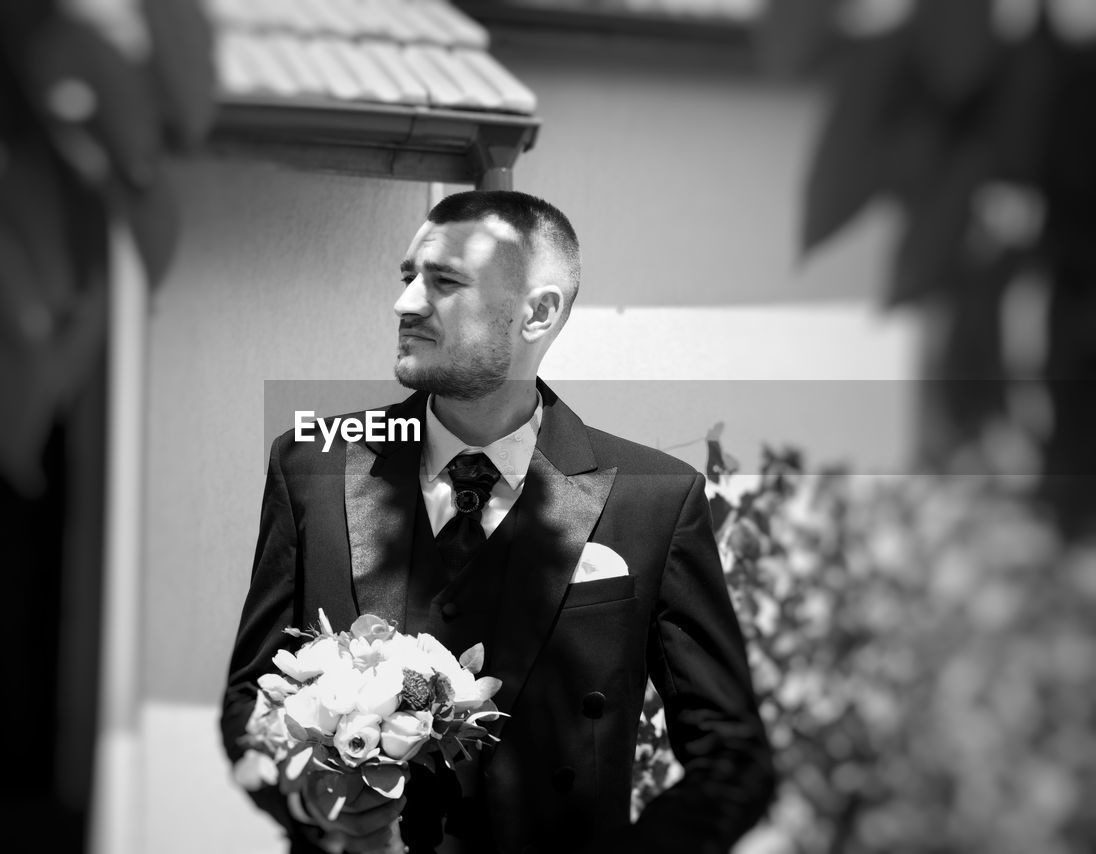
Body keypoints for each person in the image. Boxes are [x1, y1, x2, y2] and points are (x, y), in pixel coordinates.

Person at [221, 191, 775, 853]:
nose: (406, 304)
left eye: (444, 281)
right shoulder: (311, 463)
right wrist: (313, 806)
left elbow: (733, 754)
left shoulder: (656, 499)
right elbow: (249, 700)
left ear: (536, 313)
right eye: (408, 277)